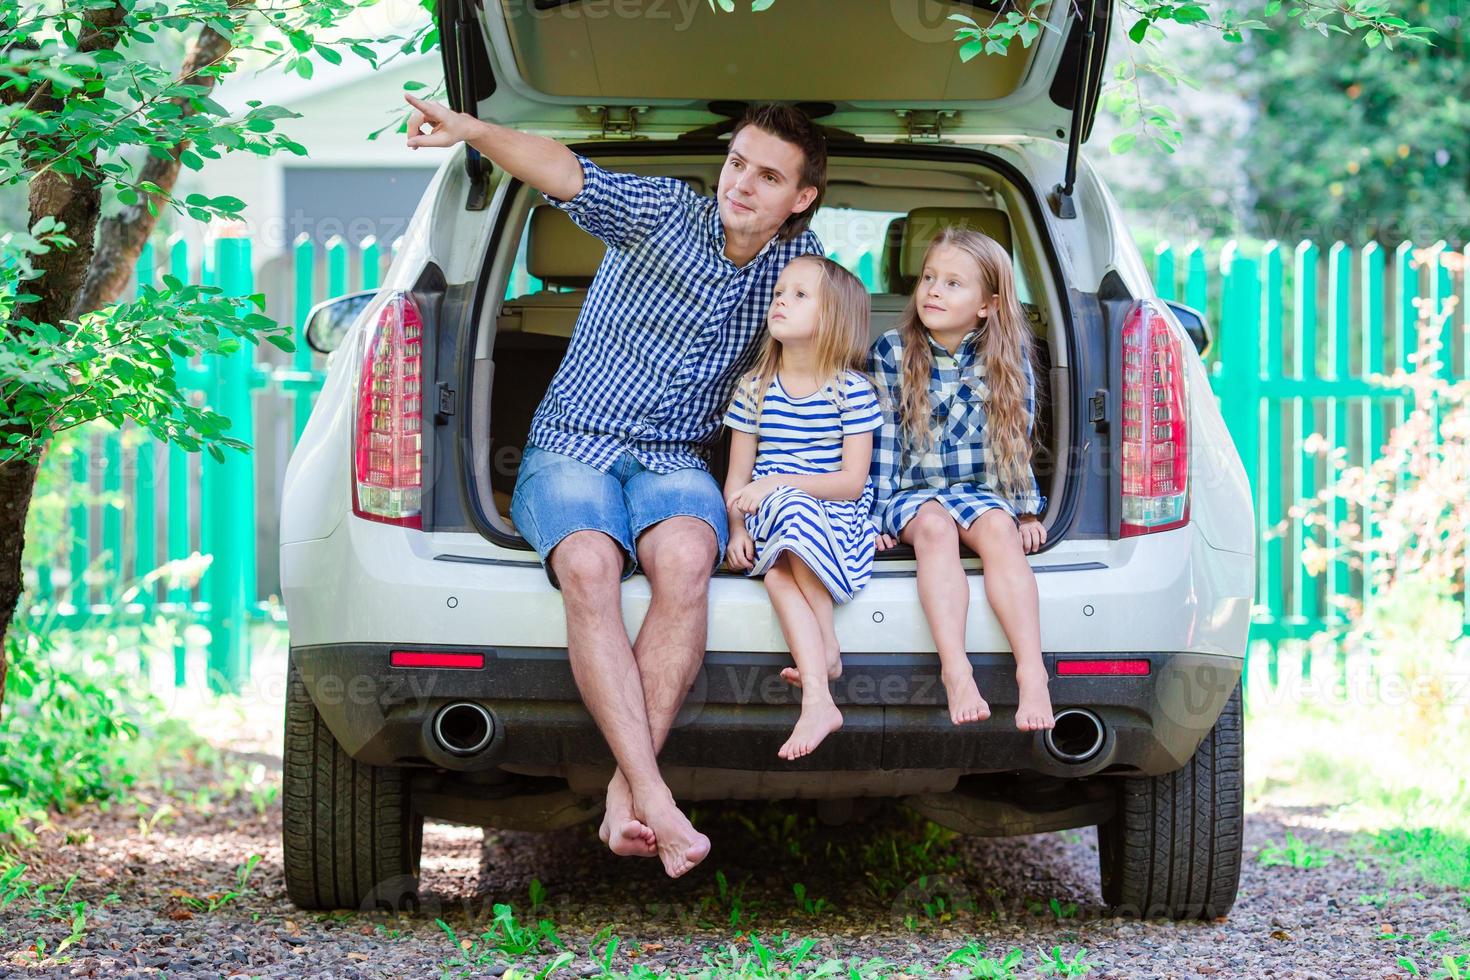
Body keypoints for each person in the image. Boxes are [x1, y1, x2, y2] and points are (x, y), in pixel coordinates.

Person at [403, 93, 828, 878]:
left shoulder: (795, 274)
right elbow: (564, 172)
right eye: (737, 163)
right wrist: (474, 132)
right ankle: (653, 799)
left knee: (688, 560)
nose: (741, 184)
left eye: (768, 177)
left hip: (675, 460)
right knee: (591, 567)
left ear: (799, 199)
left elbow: (828, 353)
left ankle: (623, 796)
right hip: (574, 445)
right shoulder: (663, 210)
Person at [868, 227, 1056, 732]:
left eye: (953, 283)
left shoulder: (1009, 353)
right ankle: (956, 669)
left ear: (988, 305)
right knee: (934, 530)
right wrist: (874, 516)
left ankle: (1032, 672)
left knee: (999, 533)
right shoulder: (891, 350)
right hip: (914, 493)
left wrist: (1025, 508)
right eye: (929, 277)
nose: (932, 290)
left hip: (979, 491)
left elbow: (1016, 434)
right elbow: (880, 443)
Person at [721, 256, 882, 761]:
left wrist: (776, 483)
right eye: (779, 292)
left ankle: (820, 672)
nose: (780, 301)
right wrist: (735, 528)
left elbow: (853, 483)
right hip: (773, 518)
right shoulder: (754, 387)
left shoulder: (851, 390)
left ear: (832, 318)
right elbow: (736, 479)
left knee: (775, 573)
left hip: (836, 516)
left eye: (798, 295)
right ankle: (820, 688)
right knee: (780, 534)